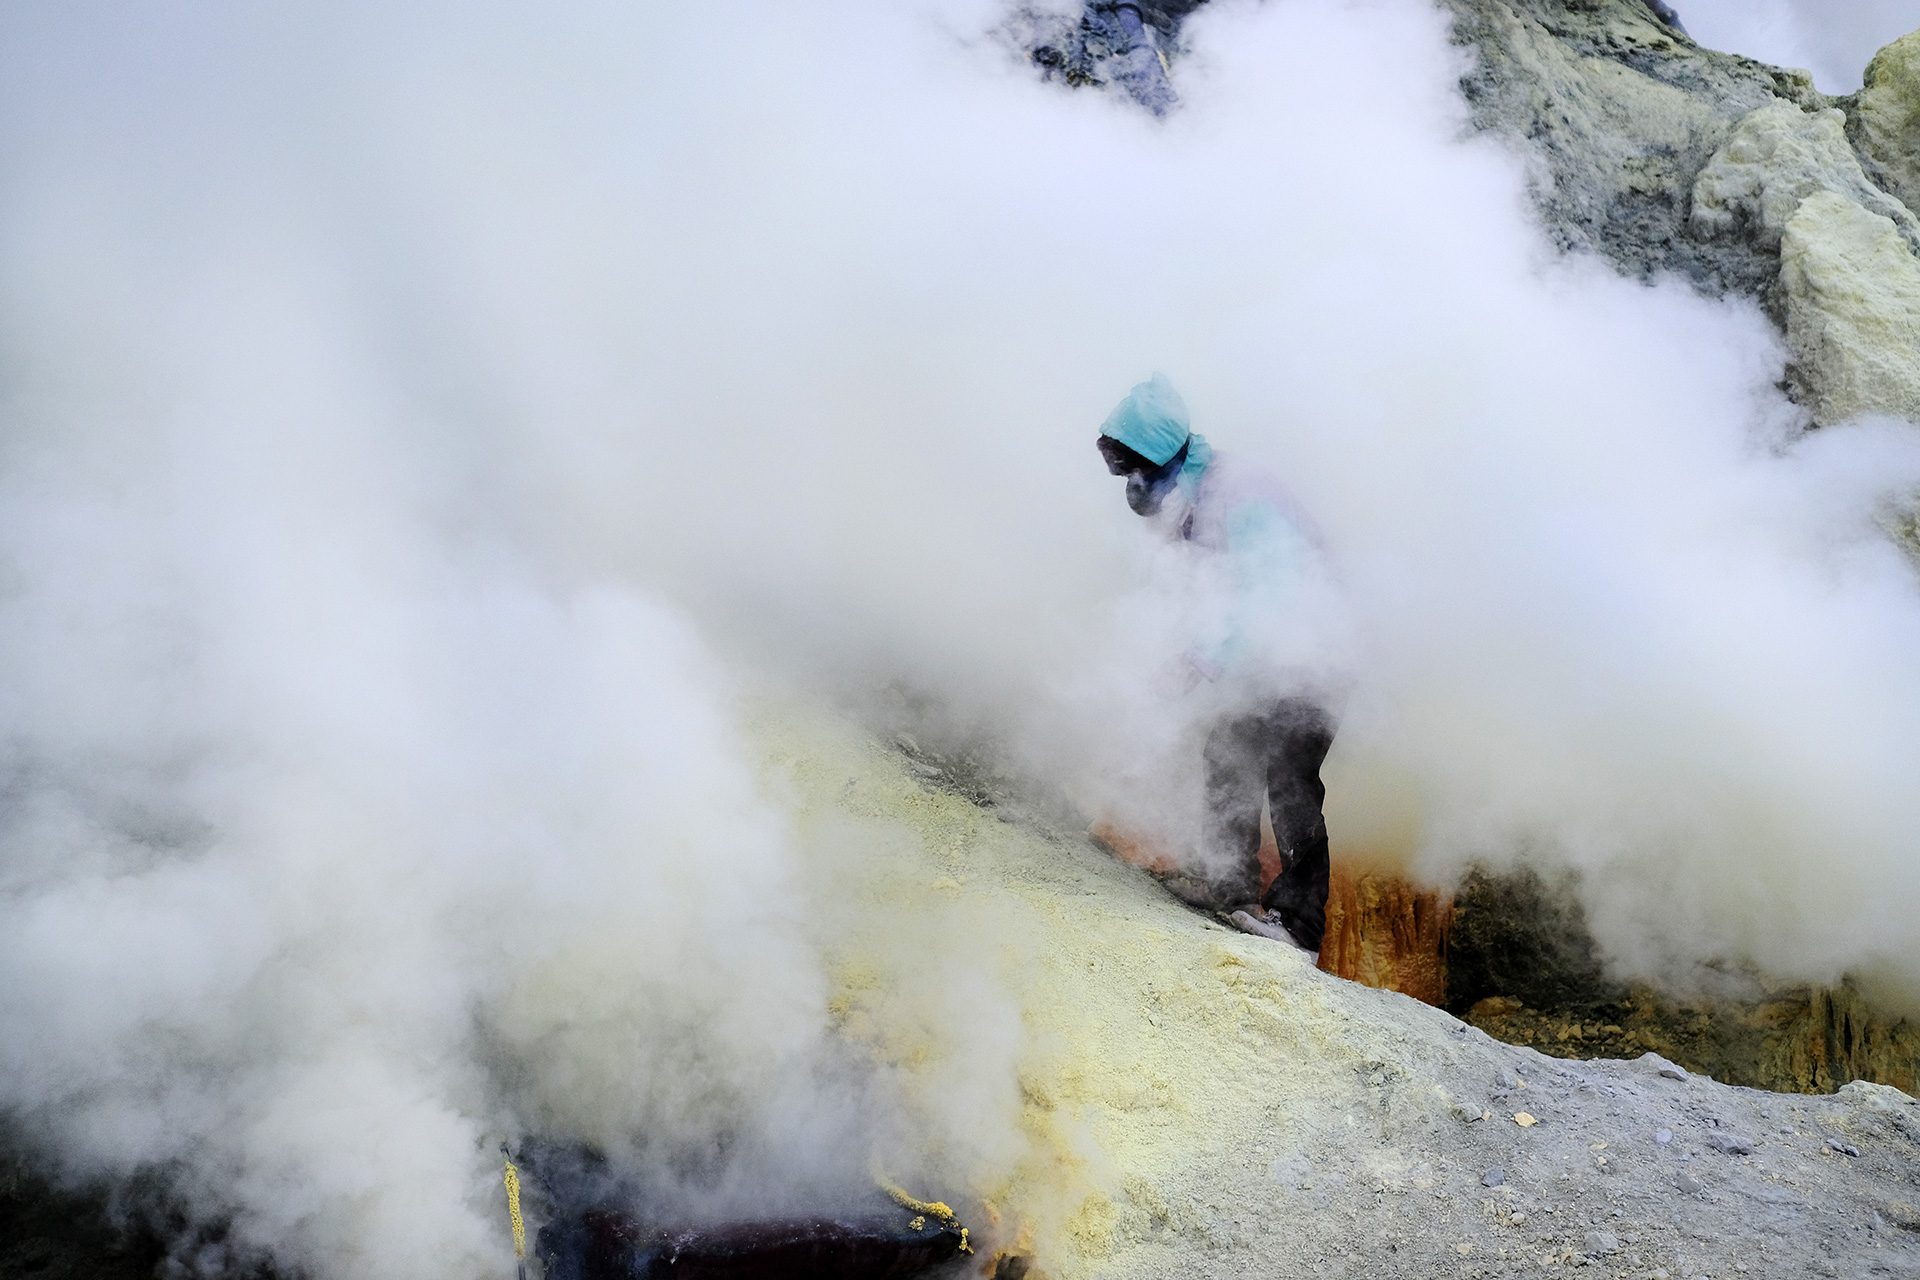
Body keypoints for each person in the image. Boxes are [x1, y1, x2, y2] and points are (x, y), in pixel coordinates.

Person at [1095, 373, 1340, 957]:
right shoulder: (1194, 496)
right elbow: (1208, 592)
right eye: (1122, 470)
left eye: (1137, 469)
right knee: (1227, 754)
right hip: (1267, 656)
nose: (1132, 484)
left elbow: (1272, 591)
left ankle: (1299, 928)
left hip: (1320, 649)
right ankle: (1228, 890)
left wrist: (1201, 659)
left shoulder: (1237, 492)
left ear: (1166, 455)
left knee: (1290, 775)